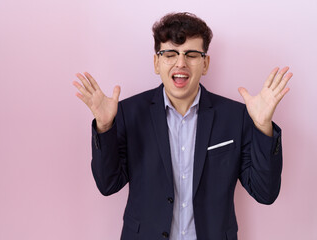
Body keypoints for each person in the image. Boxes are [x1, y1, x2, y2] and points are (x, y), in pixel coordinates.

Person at [73, 12, 292, 240]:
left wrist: (263, 127)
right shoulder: (129, 113)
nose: (181, 63)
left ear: (205, 63)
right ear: (157, 62)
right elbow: (108, 184)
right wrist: (105, 127)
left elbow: (265, 192)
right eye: (170, 54)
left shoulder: (235, 117)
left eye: (192, 55)